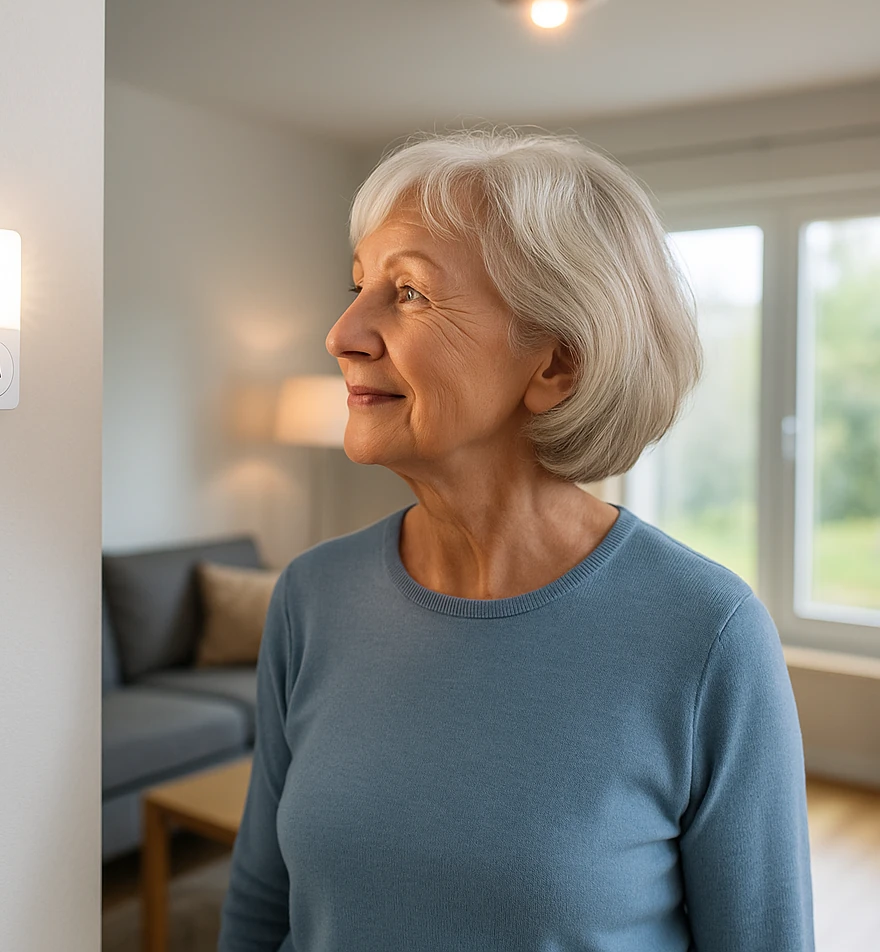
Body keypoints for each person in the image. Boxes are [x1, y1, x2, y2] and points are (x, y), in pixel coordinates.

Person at [217, 127, 815, 951]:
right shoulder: (311, 598)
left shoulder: (707, 633)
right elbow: (260, 907)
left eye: (410, 293)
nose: (343, 332)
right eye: (359, 286)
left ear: (556, 365)